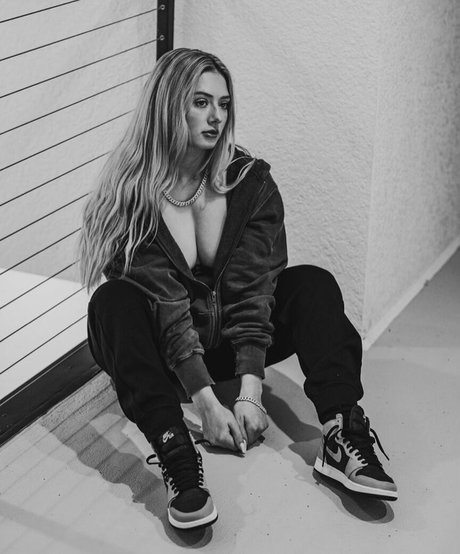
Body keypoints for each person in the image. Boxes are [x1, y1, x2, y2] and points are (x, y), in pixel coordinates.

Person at [79, 48, 397, 531]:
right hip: (164, 355)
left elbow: (253, 287)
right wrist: (205, 404)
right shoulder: (132, 196)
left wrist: (250, 390)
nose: (216, 116)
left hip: (230, 342)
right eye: (201, 102)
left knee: (312, 283)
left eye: (223, 104)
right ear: (168, 105)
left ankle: (341, 430)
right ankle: (176, 453)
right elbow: (166, 306)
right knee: (112, 302)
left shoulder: (247, 183)